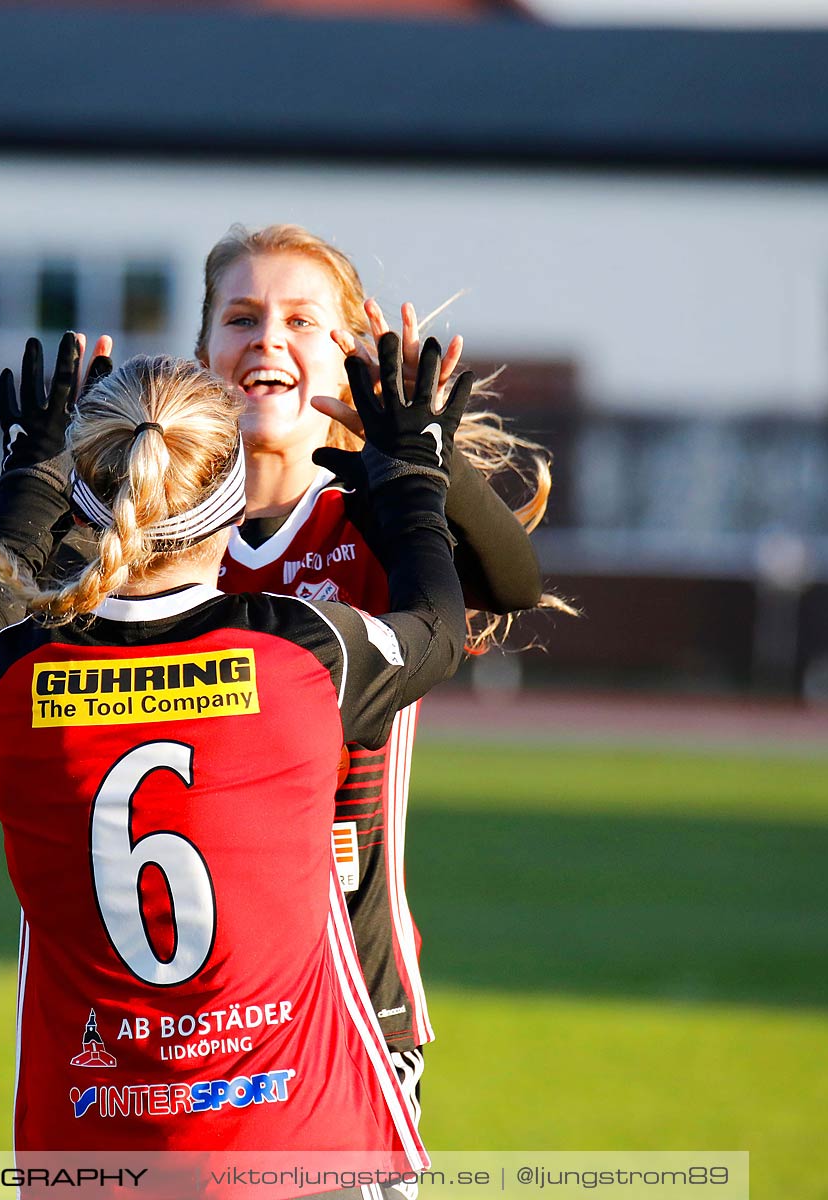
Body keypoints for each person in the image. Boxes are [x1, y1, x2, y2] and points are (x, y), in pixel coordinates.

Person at [0, 333, 468, 1193]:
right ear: (229, 507)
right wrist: (410, 468)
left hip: (93, 1161)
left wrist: (30, 479)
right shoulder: (300, 652)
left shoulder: (3, 680)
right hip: (304, 1145)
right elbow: (440, 631)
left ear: (86, 499)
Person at [193, 224, 571, 1128]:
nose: (267, 339)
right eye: (240, 317)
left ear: (349, 349)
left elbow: (511, 581)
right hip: (177, 1003)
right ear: (201, 354)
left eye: (300, 320)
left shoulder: (372, 518)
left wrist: (420, 463)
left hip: (347, 990)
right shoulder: (161, 537)